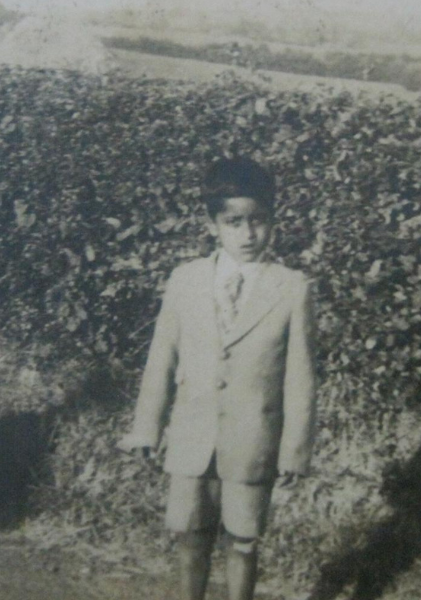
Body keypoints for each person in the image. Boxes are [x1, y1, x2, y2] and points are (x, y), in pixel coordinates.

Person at [118, 156, 317, 600]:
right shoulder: (185, 281)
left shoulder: (291, 287)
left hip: (253, 442)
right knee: (190, 534)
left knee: (244, 540)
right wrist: (147, 427)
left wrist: (294, 451)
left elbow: (301, 379)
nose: (247, 234)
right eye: (234, 222)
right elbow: (161, 360)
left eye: (258, 221)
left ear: (273, 222)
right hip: (192, 435)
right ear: (213, 225)